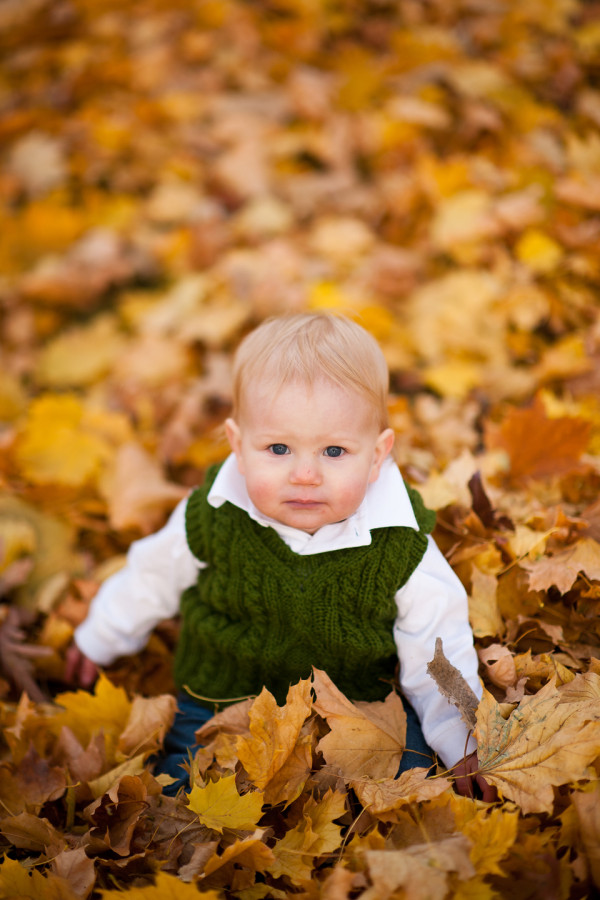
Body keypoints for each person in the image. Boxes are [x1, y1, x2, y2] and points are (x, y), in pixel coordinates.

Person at [66, 313, 494, 800]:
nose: (305, 474)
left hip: (357, 708)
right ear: (239, 447)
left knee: (414, 780)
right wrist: (100, 636)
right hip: (223, 699)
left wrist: (460, 738)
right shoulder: (214, 515)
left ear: (377, 456)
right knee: (179, 790)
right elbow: (151, 577)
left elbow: (436, 643)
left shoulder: (398, 539)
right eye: (278, 448)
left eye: (334, 451)